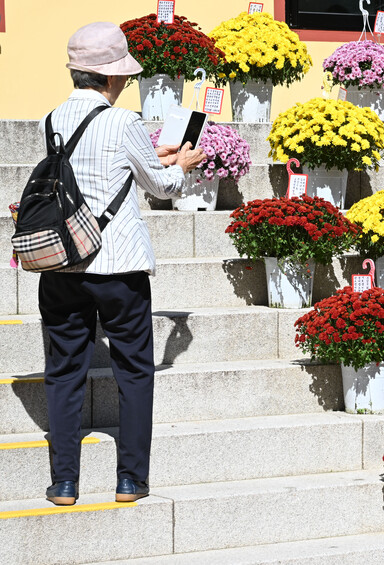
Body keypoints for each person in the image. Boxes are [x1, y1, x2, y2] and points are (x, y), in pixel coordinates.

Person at [41, 22, 206, 506]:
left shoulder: (51, 119)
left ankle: (65, 482)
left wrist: (151, 158)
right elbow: (162, 187)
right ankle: (130, 479)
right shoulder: (125, 122)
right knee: (134, 371)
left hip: (62, 264)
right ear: (112, 78)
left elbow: (85, 169)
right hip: (118, 266)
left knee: (63, 371)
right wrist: (183, 164)